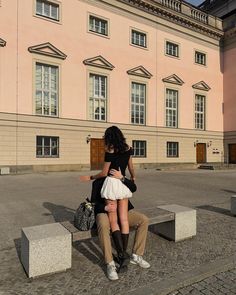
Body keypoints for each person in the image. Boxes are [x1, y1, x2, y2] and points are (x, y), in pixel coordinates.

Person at [80, 126, 134, 271]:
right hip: (122, 183)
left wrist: (90, 177)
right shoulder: (128, 148)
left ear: (109, 137)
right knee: (124, 219)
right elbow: (130, 167)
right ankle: (124, 253)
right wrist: (133, 177)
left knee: (113, 220)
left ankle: (122, 254)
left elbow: (104, 173)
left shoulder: (110, 149)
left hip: (111, 183)